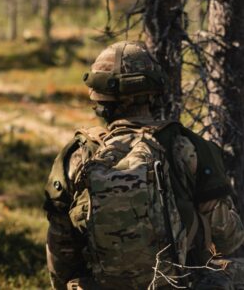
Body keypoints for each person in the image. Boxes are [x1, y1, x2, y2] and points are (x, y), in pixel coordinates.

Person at [44, 41, 244, 289]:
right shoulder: (188, 148)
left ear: (100, 100)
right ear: (153, 93)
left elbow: (60, 249)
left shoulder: (75, 156)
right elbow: (228, 237)